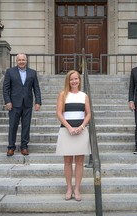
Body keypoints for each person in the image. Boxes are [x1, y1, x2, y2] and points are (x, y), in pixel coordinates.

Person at [56, 70, 91, 202]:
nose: (74, 81)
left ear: (79, 81)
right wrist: (69, 128)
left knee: (80, 162)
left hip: (81, 132)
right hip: (67, 131)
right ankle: (69, 188)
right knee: (67, 162)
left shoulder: (84, 96)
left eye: (76, 79)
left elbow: (88, 114)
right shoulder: (63, 95)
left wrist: (81, 127)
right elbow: (59, 113)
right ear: (68, 81)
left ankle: (77, 189)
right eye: (71, 79)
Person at [3, 53, 42, 156]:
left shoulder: (32, 73)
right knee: (13, 126)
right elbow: (5, 88)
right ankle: (11, 147)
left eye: (23, 60)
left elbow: (36, 89)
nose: (21, 61)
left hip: (27, 104)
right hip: (14, 104)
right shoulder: (10, 72)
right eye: (19, 60)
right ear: (16, 61)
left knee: (26, 126)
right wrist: (7, 101)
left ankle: (24, 147)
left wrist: (38, 102)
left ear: (26, 61)